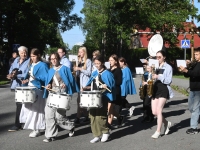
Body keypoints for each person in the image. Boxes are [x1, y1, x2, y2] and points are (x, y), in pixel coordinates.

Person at [43, 52, 79, 142]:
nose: (53, 60)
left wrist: (65, 84)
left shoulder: (65, 69)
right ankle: (50, 135)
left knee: (59, 117)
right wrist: (48, 85)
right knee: (48, 114)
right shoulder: (50, 70)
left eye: (55, 58)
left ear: (58, 59)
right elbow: (49, 81)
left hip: (62, 93)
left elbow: (70, 81)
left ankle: (70, 126)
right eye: (52, 59)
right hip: (52, 93)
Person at [85, 55, 115, 143]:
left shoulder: (107, 73)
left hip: (103, 97)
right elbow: (91, 83)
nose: (97, 65)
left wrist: (105, 86)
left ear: (102, 63)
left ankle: (105, 132)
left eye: (98, 63)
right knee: (92, 116)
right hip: (93, 96)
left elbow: (111, 86)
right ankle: (96, 134)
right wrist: (85, 88)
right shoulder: (94, 73)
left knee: (100, 116)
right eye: (95, 64)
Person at [19, 48, 49, 137]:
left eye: (34, 56)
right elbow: (29, 77)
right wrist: (26, 80)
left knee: (37, 109)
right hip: (30, 88)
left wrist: (37, 79)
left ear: (38, 55)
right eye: (31, 56)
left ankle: (37, 129)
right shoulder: (31, 65)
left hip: (38, 89)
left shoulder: (43, 65)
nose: (32, 58)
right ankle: (38, 126)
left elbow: (46, 78)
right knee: (27, 106)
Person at [151, 50, 173, 139]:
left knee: (159, 110)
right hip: (155, 89)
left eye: (159, 57)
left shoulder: (168, 67)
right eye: (156, 57)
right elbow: (152, 78)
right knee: (154, 112)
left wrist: (158, 76)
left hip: (164, 89)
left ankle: (158, 131)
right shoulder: (155, 66)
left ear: (164, 57)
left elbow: (169, 80)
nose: (158, 59)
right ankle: (167, 123)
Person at [7, 46, 30, 132]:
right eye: (21, 53)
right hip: (16, 85)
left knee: (22, 104)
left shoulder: (29, 61)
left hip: (24, 86)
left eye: (25, 52)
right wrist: (11, 75)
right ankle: (21, 123)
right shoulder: (16, 60)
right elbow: (11, 70)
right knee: (20, 104)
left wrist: (17, 75)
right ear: (18, 53)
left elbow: (27, 72)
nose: (23, 54)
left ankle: (18, 124)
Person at [179, 48, 200, 134]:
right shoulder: (194, 63)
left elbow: (197, 74)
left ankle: (194, 128)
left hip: (199, 90)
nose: (195, 56)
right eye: (195, 54)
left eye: (197, 54)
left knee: (195, 109)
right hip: (192, 88)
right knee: (191, 108)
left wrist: (187, 70)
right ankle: (197, 117)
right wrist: (185, 69)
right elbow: (188, 74)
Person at [73, 46, 92, 124]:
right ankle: (87, 116)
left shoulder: (88, 61)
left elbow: (89, 73)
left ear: (84, 52)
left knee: (81, 102)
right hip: (80, 84)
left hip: (86, 84)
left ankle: (78, 117)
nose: (79, 53)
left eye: (81, 52)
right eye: (79, 52)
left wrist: (80, 69)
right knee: (80, 102)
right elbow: (78, 74)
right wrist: (76, 70)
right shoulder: (79, 61)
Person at [108, 54, 124, 128]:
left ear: (115, 61)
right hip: (108, 91)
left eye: (111, 60)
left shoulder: (118, 70)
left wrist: (111, 82)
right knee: (109, 108)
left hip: (115, 91)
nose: (110, 61)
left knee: (110, 108)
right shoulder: (108, 69)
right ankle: (120, 117)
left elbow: (119, 82)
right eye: (109, 60)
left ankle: (109, 125)